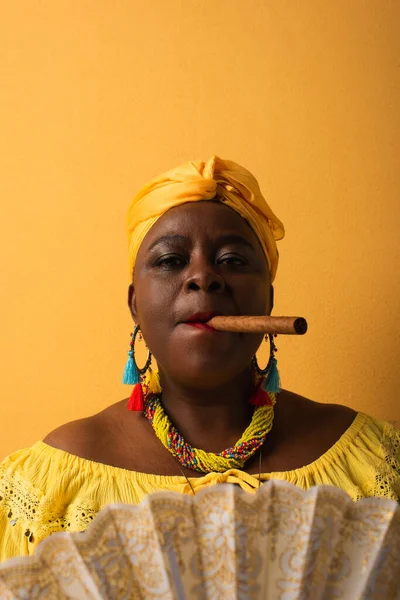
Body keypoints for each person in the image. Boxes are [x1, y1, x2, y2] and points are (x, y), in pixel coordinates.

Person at [0, 156, 399, 562]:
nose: (203, 277)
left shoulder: (372, 462)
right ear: (136, 305)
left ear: (268, 301)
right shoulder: (52, 488)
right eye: (170, 261)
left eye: (232, 261)